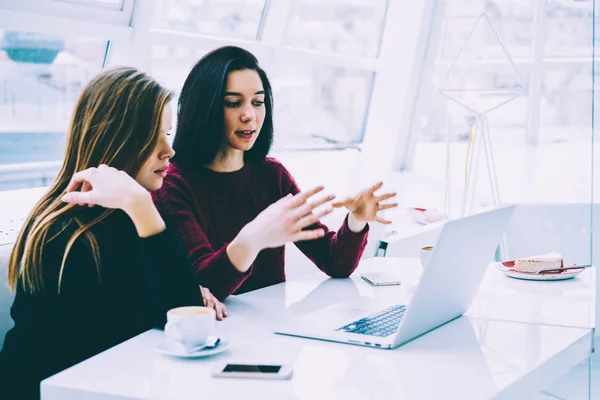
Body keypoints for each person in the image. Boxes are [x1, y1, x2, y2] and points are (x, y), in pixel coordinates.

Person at [0, 67, 225, 400]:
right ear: (118, 138)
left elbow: (177, 310)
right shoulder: (67, 235)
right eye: (155, 136)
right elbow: (179, 313)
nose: (169, 150)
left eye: (169, 133)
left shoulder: (120, 218)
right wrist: (142, 206)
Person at [153, 46, 397, 300]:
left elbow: (335, 261)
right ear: (204, 108)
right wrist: (253, 238)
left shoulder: (272, 175)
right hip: (218, 330)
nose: (250, 115)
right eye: (234, 103)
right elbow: (205, 286)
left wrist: (356, 219)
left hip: (272, 328)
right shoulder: (173, 185)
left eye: (258, 102)